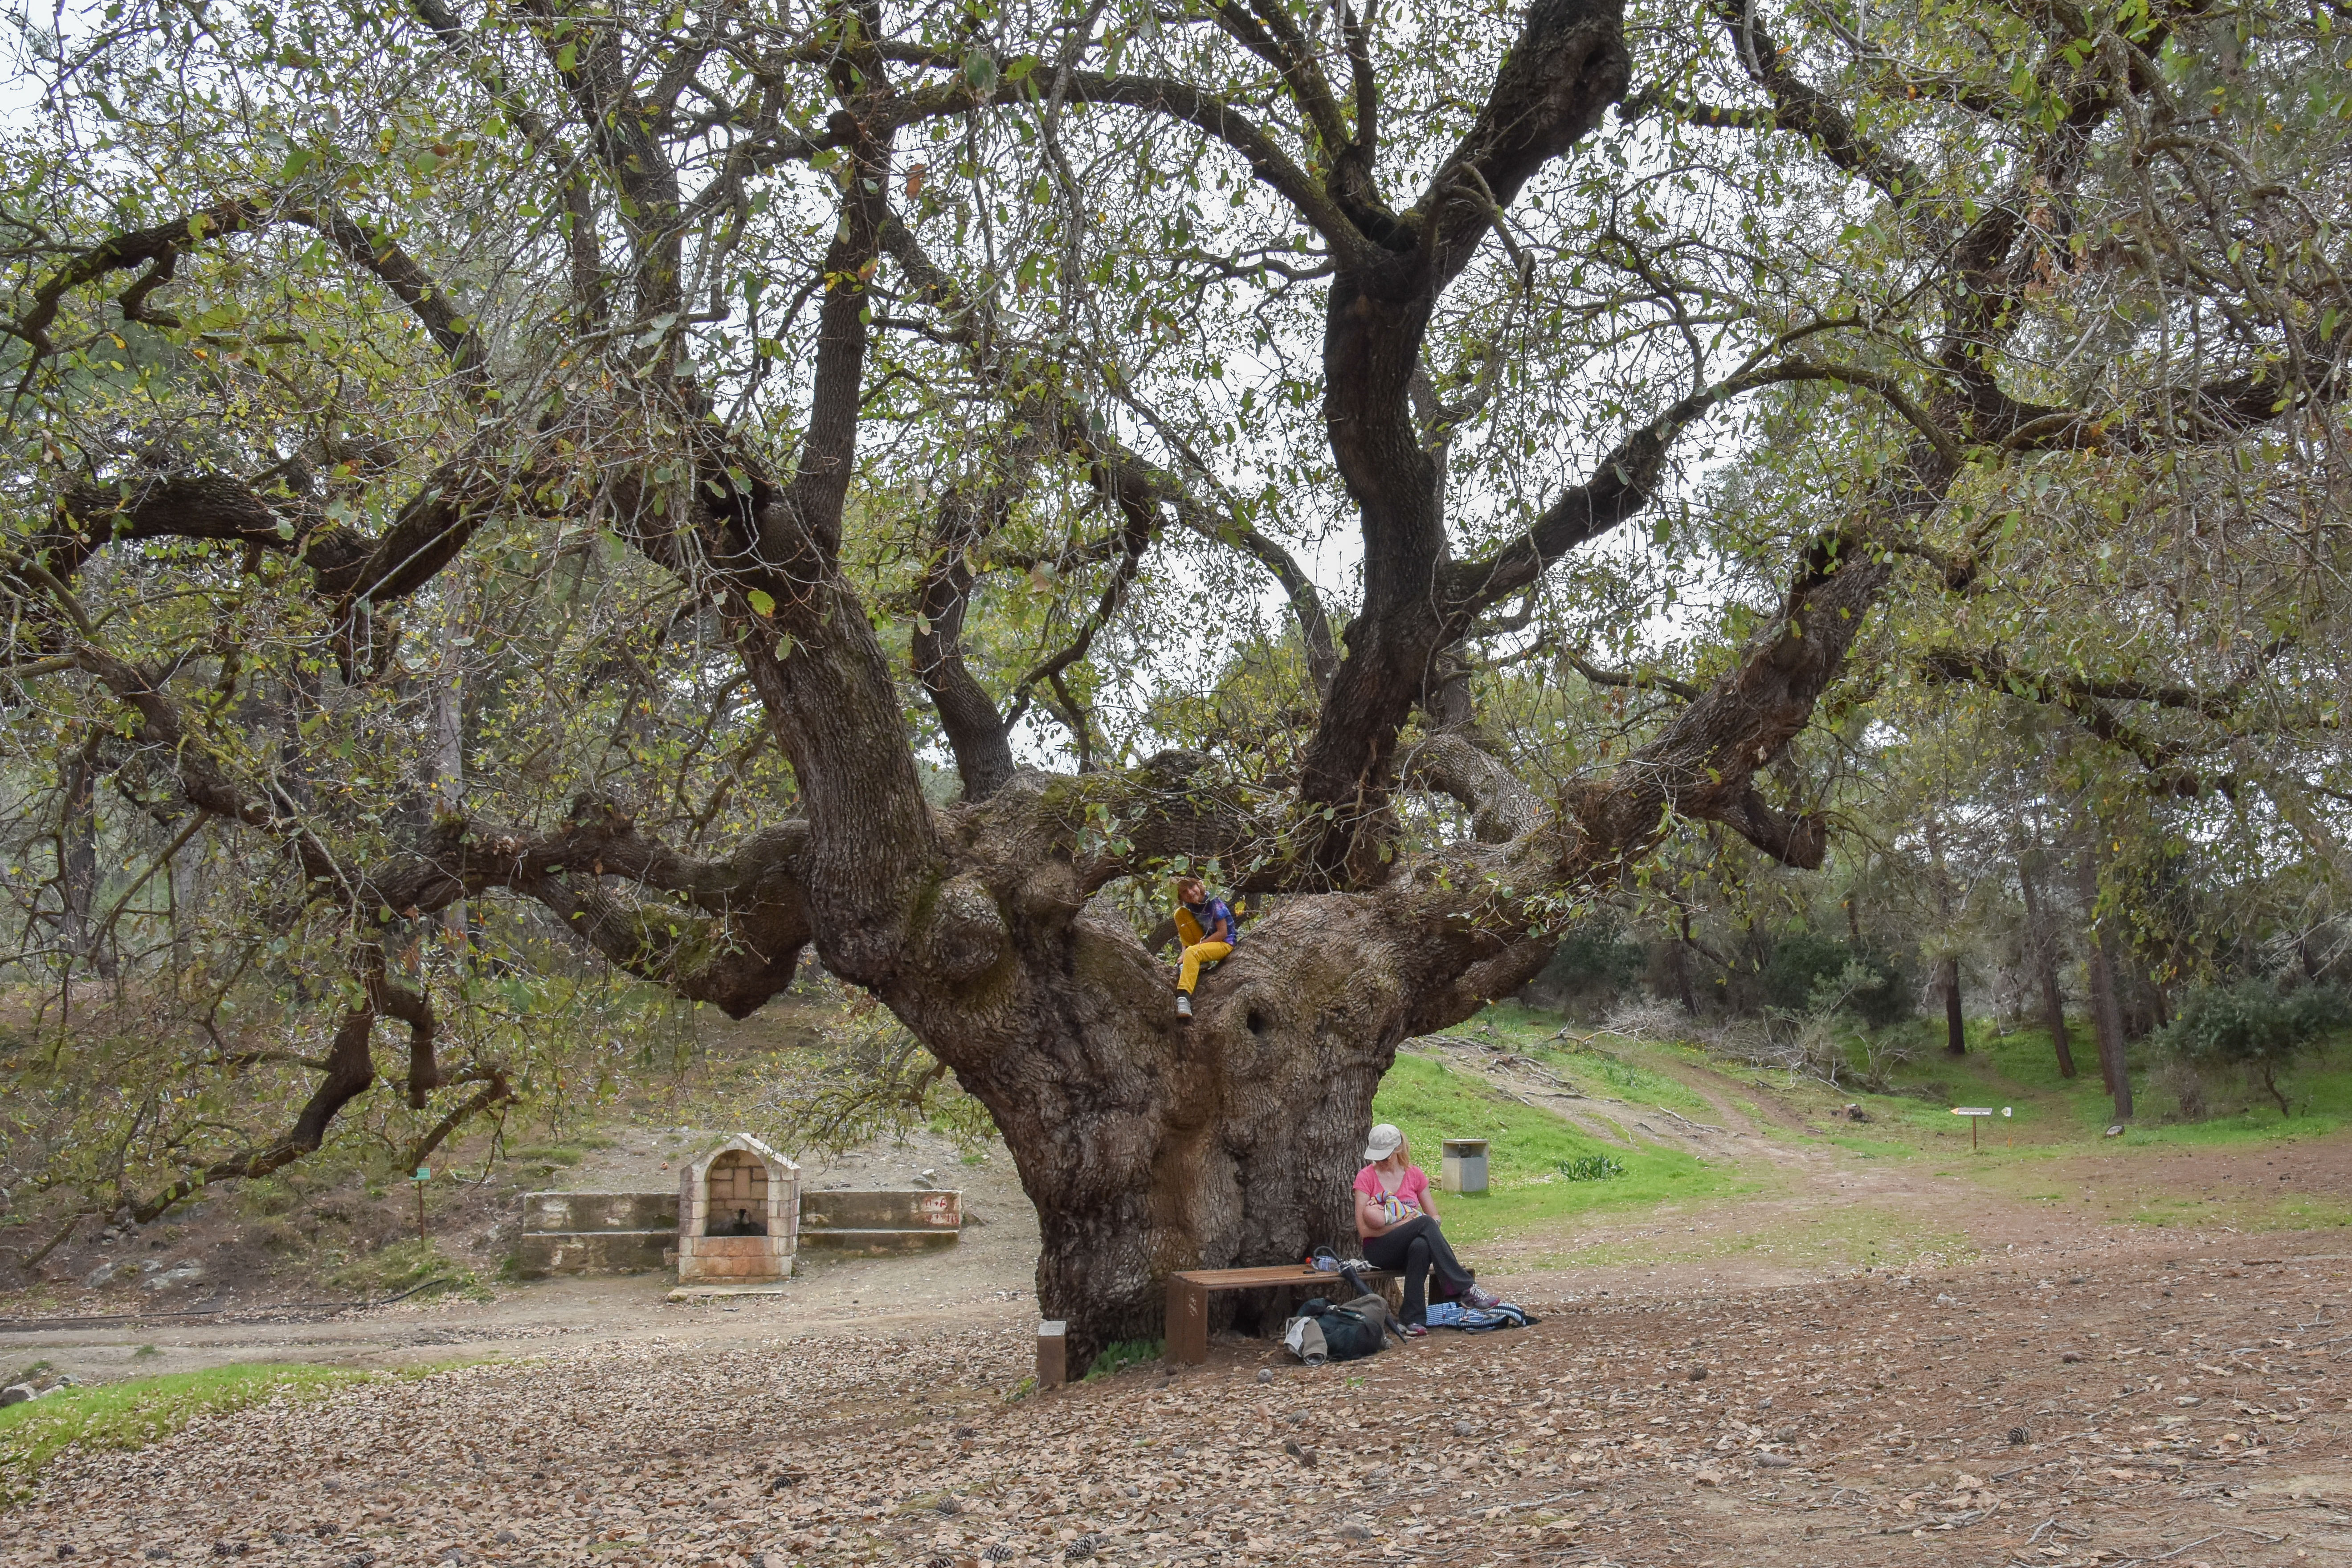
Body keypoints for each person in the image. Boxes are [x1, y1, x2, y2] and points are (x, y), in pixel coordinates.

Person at [1354, 1123, 1499, 1333]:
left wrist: (1426, 1225)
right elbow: (1364, 1231)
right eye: (1377, 1158)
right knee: (1423, 1224)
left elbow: (1435, 1216)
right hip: (1379, 1249)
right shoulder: (1365, 1177)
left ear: (1398, 1150)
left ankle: (1412, 1319)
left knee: (1422, 1245)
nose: (1381, 1162)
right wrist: (1408, 1223)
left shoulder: (1414, 1175)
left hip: (1411, 1246)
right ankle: (1464, 1288)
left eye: (1385, 1157)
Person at [1169, 876, 1237, 1021]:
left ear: (1198, 885)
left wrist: (1194, 949)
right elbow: (1186, 933)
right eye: (1184, 892)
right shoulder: (1190, 907)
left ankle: (1184, 998)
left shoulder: (1213, 901)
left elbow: (1222, 933)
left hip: (1224, 943)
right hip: (1206, 942)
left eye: (1191, 886)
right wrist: (1184, 954)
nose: (1190, 893)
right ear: (1180, 897)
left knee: (1193, 952)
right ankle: (1198, 961)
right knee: (1179, 914)